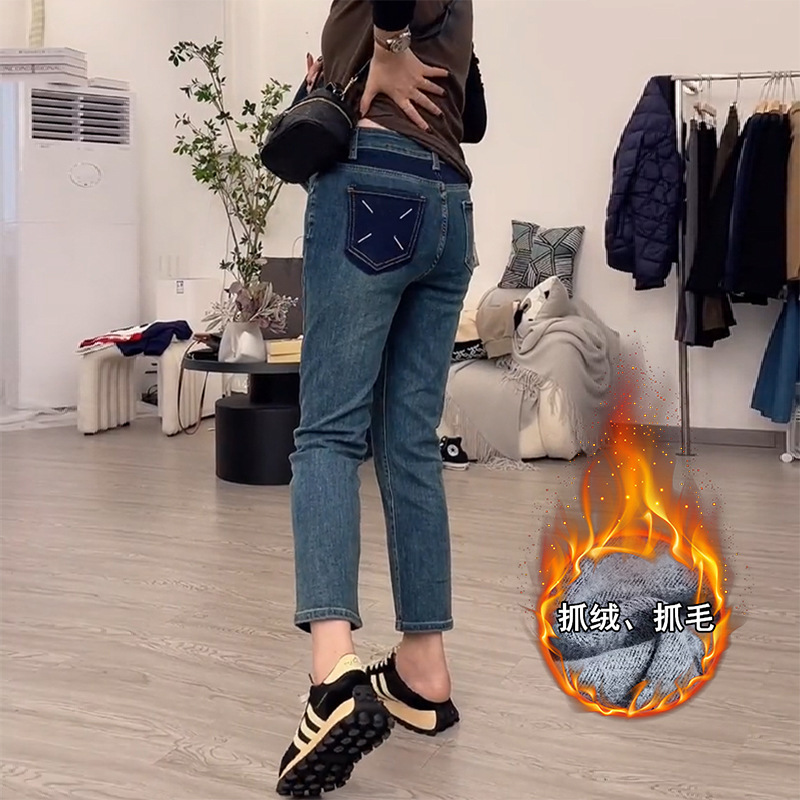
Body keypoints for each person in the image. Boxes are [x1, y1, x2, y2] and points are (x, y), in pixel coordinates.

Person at [277, 1, 485, 795]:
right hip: (448, 203)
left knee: (329, 436)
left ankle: (332, 676)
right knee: (407, 445)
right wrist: (355, 61)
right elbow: (473, 110)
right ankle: (423, 670)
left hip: (373, 184)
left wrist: (386, 48)